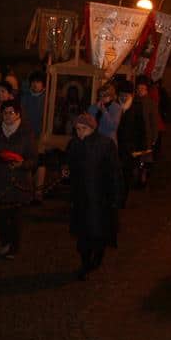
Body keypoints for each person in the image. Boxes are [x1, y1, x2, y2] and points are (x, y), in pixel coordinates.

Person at [65, 112, 122, 280]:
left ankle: (96, 257)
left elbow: (114, 172)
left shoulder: (105, 144)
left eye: (83, 128)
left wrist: (115, 197)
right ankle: (85, 264)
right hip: (81, 198)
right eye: (77, 129)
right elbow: (69, 164)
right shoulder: (74, 144)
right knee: (83, 236)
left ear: (92, 128)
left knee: (97, 233)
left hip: (99, 198)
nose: (80, 132)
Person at [0, 97, 36, 259]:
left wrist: (22, 164)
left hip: (18, 183)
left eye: (11, 112)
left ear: (18, 114)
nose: (8, 116)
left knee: (15, 217)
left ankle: (14, 247)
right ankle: (5, 241)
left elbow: (33, 159)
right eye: (5, 113)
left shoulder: (26, 134)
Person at [21, 71, 48, 201]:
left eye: (38, 82)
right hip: (27, 134)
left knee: (41, 161)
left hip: (42, 135)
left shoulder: (47, 98)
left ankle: (38, 192)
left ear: (43, 84)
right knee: (28, 162)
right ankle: (28, 191)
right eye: (33, 82)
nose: (35, 84)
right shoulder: (25, 97)